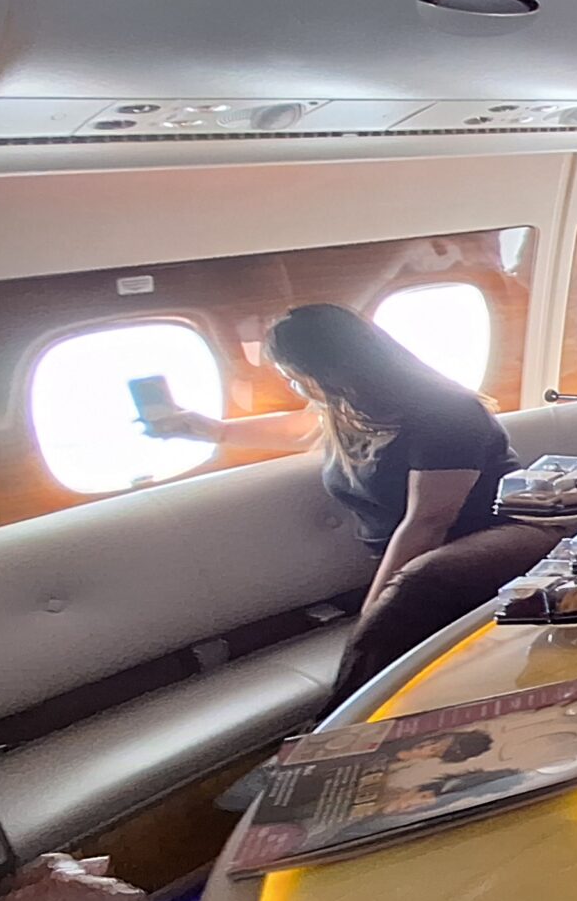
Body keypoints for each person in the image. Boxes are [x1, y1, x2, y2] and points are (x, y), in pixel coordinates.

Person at [147, 303, 554, 711]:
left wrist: (373, 613)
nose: (297, 388)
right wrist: (209, 430)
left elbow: (428, 523)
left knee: (417, 581)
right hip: (424, 571)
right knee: (414, 586)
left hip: (506, 537)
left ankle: (330, 732)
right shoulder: (351, 412)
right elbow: (299, 427)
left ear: (334, 370)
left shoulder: (446, 413)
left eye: (298, 378)